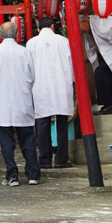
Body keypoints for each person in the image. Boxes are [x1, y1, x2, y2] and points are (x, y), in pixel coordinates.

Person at [0, 22, 40, 186]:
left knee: (6, 142)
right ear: (16, 35)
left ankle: (12, 175)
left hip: (1, 102)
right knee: (27, 139)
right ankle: (33, 175)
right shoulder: (25, 52)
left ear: (0, 35)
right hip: (22, 100)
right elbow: (32, 77)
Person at [26, 17, 74, 169]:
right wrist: (71, 82)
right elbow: (71, 64)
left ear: (38, 28)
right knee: (62, 122)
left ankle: (44, 159)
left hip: (41, 85)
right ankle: (61, 159)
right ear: (53, 26)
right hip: (61, 84)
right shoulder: (63, 41)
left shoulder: (31, 43)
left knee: (42, 121)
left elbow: (28, 67)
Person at [80, 14, 112, 115]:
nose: (80, 31)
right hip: (103, 54)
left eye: (79, 27)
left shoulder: (99, 20)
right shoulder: (88, 29)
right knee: (103, 75)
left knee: (101, 72)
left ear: (85, 21)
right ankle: (107, 106)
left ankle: (109, 106)